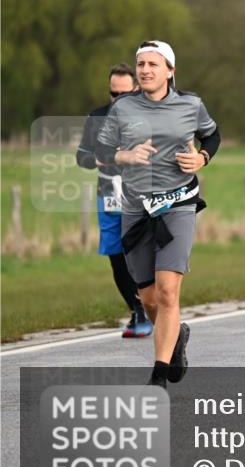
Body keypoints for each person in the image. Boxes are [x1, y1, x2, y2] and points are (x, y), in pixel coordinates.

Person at [95, 40, 221, 386]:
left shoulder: (190, 104)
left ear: (170, 70)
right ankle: (176, 336)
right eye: (141, 64)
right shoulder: (123, 108)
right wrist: (125, 155)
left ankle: (159, 375)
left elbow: (212, 136)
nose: (146, 70)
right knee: (149, 299)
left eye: (153, 64)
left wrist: (202, 158)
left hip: (179, 203)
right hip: (136, 208)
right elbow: (100, 153)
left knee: (168, 291)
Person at [76, 63, 151, 338]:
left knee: (142, 252)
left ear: (136, 89)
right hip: (109, 194)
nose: (117, 99)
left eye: (124, 94)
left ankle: (153, 305)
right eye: (113, 94)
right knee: (117, 257)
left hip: (142, 193)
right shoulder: (97, 117)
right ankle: (137, 311)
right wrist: (104, 157)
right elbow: (81, 157)